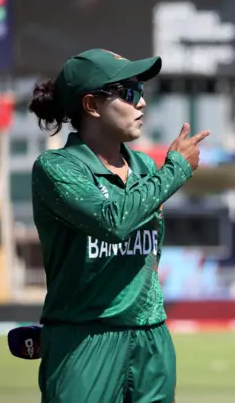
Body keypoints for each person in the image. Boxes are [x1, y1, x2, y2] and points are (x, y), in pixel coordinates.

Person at [27, 48, 210, 403]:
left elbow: (150, 253)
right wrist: (175, 170)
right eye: (128, 92)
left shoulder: (144, 166)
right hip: (85, 341)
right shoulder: (56, 168)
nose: (141, 102)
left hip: (151, 338)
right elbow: (113, 222)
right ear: (92, 105)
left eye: (141, 90)